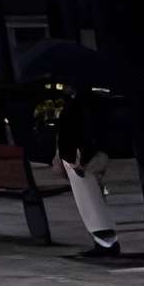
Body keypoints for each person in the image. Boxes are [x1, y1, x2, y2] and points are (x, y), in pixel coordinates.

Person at [54, 83, 123, 261]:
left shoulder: (80, 104)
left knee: (90, 199)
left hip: (81, 156)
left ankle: (105, 241)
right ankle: (105, 240)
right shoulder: (90, 102)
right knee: (92, 198)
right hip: (85, 154)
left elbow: (78, 132)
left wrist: (78, 158)